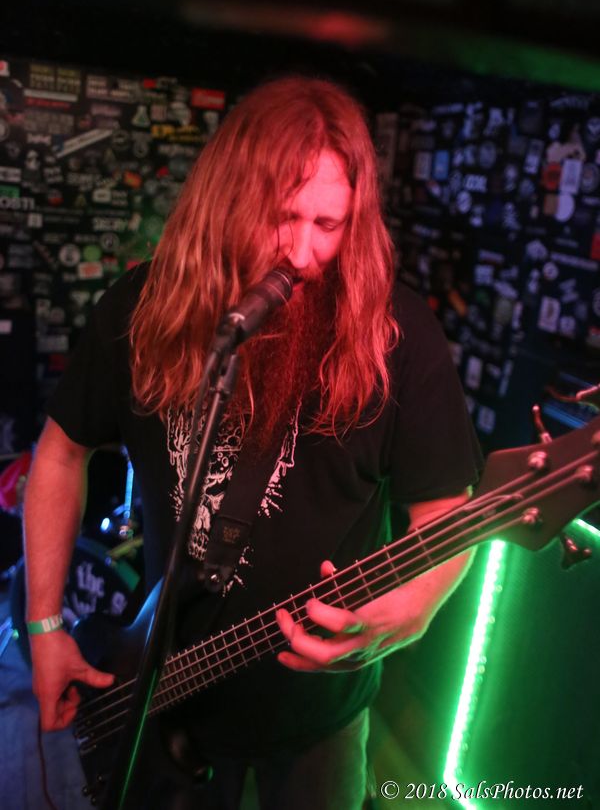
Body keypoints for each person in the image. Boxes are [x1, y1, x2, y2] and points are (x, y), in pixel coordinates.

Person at [24, 76, 483, 809]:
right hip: (156, 691)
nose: (301, 253)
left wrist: (410, 612)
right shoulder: (140, 309)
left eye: (328, 224)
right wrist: (45, 624)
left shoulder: (397, 337)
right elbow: (59, 454)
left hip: (317, 720)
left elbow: (446, 512)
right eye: (281, 217)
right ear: (228, 199)